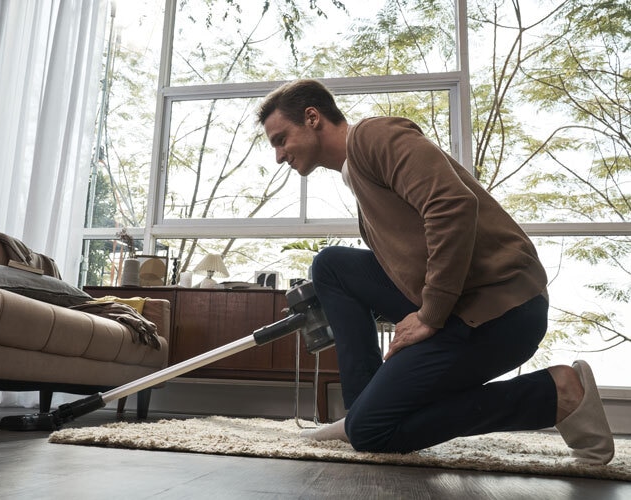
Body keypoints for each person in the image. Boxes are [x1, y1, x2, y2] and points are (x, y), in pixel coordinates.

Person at [257, 79, 614, 465]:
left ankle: (558, 393)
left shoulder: (374, 137)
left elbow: (452, 205)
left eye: (281, 139)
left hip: (501, 309)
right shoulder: (357, 175)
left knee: (374, 433)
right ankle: (360, 412)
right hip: (465, 303)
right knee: (331, 265)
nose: (279, 156)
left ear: (312, 118)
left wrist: (430, 314)